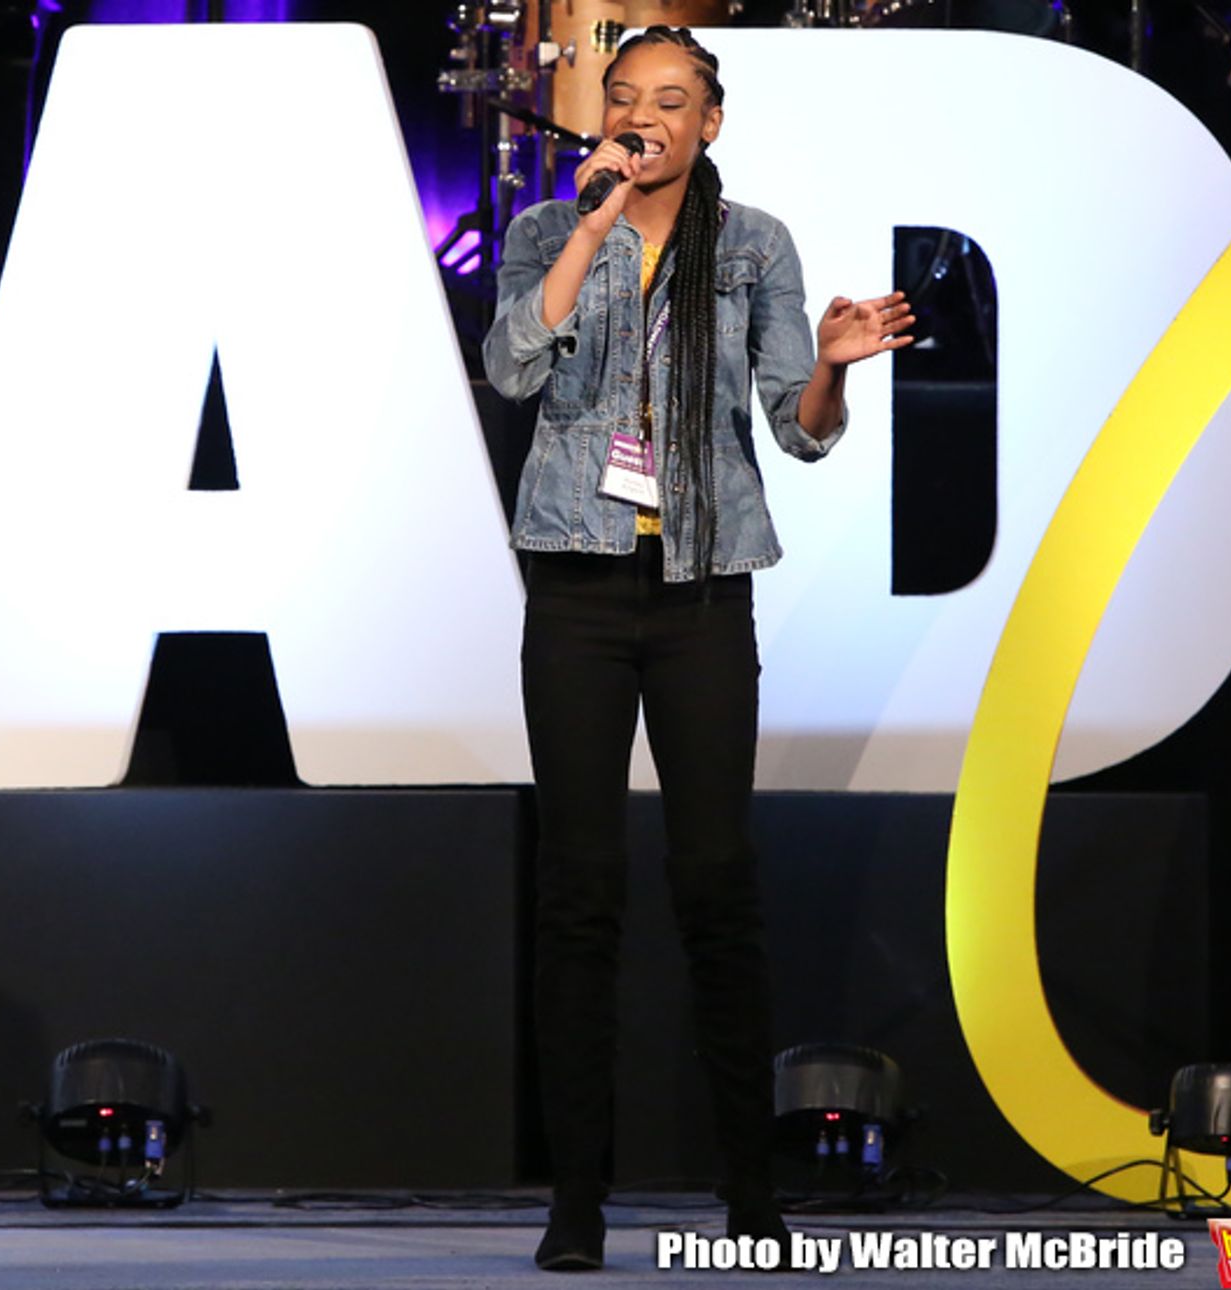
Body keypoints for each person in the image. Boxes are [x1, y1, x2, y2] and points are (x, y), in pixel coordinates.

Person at [483, 25, 914, 1272]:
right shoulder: (543, 230)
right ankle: (576, 1199)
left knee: (715, 888)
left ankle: (748, 1192)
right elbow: (513, 366)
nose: (645, 116)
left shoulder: (754, 248)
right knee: (578, 890)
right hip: (575, 587)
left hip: (699, 596)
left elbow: (801, 430)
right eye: (625, 99)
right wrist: (588, 228)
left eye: (670, 101)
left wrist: (832, 370)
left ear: (709, 122)